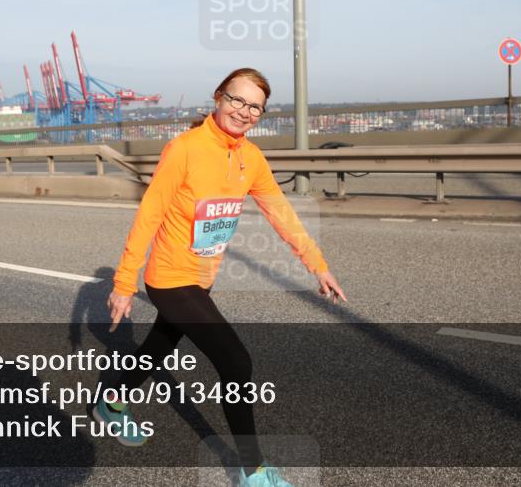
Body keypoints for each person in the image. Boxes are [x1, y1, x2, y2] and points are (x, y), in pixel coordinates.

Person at [96, 68, 347, 487]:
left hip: (202, 275)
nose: (243, 111)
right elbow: (150, 215)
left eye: (254, 106)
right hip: (170, 277)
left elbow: (281, 213)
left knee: (157, 348)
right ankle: (253, 472)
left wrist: (317, 264)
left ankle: (112, 401)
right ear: (218, 97)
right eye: (237, 99)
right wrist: (124, 283)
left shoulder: (251, 158)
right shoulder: (185, 149)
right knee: (236, 361)